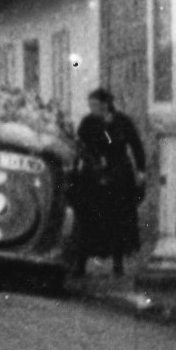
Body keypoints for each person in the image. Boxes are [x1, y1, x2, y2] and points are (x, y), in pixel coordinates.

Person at [71, 88, 147, 276]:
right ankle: (80, 264)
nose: (92, 108)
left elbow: (133, 145)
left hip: (117, 175)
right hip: (93, 175)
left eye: (95, 105)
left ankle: (117, 264)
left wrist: (141, 170)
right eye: (90, 105)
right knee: (87, 220)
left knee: (116, 219)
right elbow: (79, 144)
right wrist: (82, 160)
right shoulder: (88, 122)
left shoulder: (121, 121)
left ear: (105, 104)